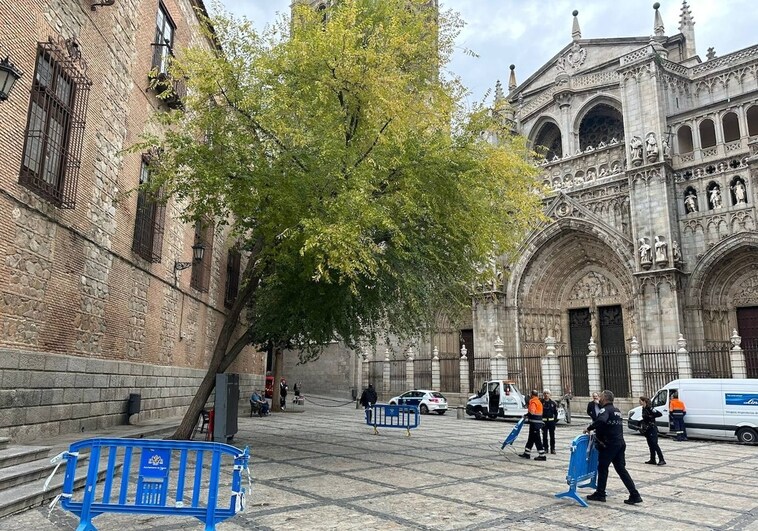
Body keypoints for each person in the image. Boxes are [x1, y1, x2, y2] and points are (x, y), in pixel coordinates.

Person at [584, 390, 642, 505]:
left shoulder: (605, 410)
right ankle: (635, 494)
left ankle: (600, 493)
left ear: (605, 399)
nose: (599, 398)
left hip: (609, 445)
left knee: (602, 468)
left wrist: (589, 428)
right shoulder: (617, 411)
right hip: (619, 444)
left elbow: (601, 420)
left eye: (600, 396)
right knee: (621, 469)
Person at [519, 390, 547, 461]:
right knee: (530, 439)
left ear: (532, 395)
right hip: (536, 423)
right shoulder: (538, 401)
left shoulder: (533, 402)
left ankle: (542, 455)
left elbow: (532, 412)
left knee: (537, 439)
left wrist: (527, 414)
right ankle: (527, 453)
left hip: (534, 424)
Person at [639, 396, 664, 465]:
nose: (639, 402)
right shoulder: (643, 408)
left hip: (652, 428)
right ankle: (652, 459)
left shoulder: (650, 408)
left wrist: (651, 416)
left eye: (640, 400)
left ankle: (661, 459)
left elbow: (659, 414)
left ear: (644, 401)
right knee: (650, 444)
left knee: (654, 444)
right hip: (647, 429)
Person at [541, 389, 559, 455]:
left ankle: (552, 449)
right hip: (544, 422)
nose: (546, 395)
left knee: (552, 436)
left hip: (551, 422)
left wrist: (554, 422)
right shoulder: (541, 403)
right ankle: (545, 448)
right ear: (543, 394)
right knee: (544, 436)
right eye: (545, 393)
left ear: (550, 395)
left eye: (547, 393)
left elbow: (556, 413)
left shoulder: (553, 403)